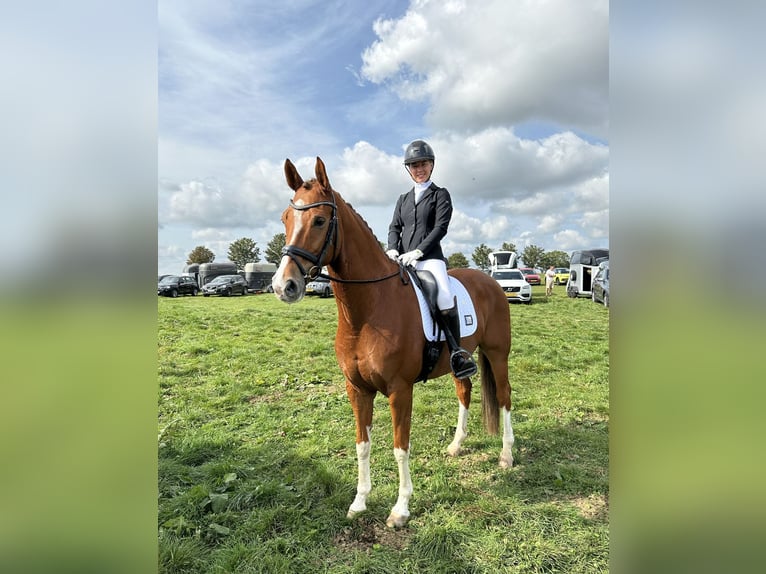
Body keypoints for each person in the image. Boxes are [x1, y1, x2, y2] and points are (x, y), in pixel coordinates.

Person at [386, 140, 477, 378]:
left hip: (430, 259)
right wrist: (392, 249)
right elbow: (395, 227)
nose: (419, 169)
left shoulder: (440, 194)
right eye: (414, 165)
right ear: (409, 169)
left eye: (423, 164)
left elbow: (440, 228)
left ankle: (457, 353)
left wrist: (419, 251)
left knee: (445, 295)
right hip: (403, 259)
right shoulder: (402, 199)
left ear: (431, 165)